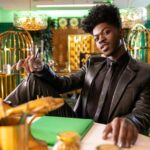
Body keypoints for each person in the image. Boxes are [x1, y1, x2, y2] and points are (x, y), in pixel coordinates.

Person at [3, 4, 150, 148]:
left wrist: (130, 122)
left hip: (107, 134)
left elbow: (142, 114)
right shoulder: (93, 63)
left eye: (106, 32)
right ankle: (3, 113)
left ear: (121, 32)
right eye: (96, 37)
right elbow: (63, 84)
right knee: (33, 80)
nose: (101, 40)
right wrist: (41, 68)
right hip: (77, 123)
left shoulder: (145, 72)